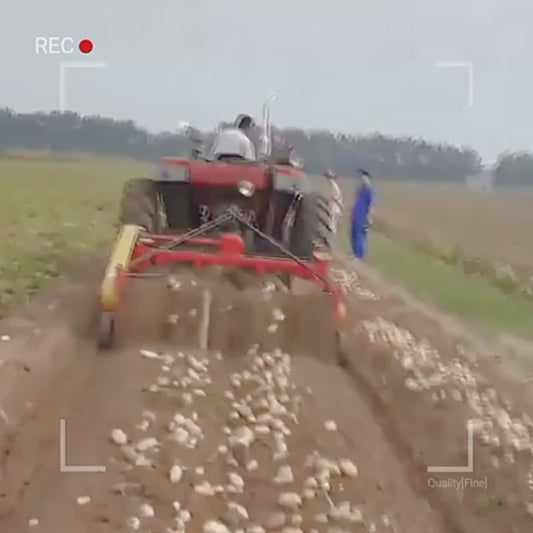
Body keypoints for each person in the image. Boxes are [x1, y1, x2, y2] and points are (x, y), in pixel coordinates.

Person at [351, 169, 375, 259]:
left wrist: (369, 217)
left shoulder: (370, 190)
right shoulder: (359, 189)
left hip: (363, 216)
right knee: (353, 235)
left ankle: (359, 256)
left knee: (360, 236)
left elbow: (372, 205)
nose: (361, 179)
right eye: (360, 177)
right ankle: (354, 253)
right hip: (356, 215)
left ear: (367, 178)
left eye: (363, 177)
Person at [324, 169, 344, 235]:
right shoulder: (332, 185)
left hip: (333, 205)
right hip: (332, 205)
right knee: (332, 220)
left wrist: (340, 205)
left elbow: (336, 197)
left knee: (332, 221)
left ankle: (331, 232)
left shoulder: (333, 185)